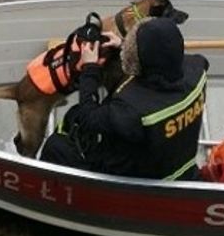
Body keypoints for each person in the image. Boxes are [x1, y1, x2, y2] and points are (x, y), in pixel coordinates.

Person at [39, 17, 209, 181]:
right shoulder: (198, 68)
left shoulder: (131, 109)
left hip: (143, 180)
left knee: (56, 145)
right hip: (179, 162)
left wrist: (89, 68)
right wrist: (121, 46)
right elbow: (165, 60)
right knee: (75, 115)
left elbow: (88, 119)